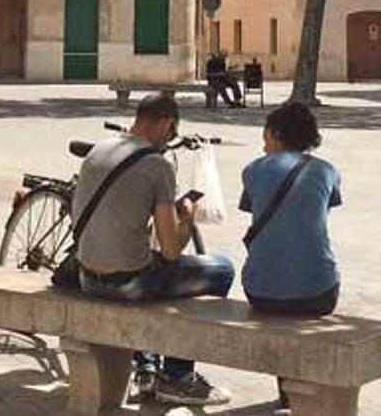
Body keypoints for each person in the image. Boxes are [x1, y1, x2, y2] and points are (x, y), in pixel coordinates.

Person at [75, 93, 233, 407]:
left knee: (154, 269)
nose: (169, 140)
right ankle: (177, 377)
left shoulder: (100, 149)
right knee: (221, 270)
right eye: (171, 133)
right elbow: (171, 250)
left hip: (85, 278)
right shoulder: (157, 165)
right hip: (126, 284)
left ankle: (146, 366)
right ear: (165, 124)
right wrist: (186, 218)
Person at [239, 102, 342, 414]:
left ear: (276, 134)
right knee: (305, 280)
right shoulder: (327, 170)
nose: (263, 144)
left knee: (281, 288)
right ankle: (303, 394)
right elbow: (319, 214)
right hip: (318, 293)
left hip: (261, 291)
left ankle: (287, 393)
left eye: (265, 136)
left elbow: (254, 212)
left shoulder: (254, 169)